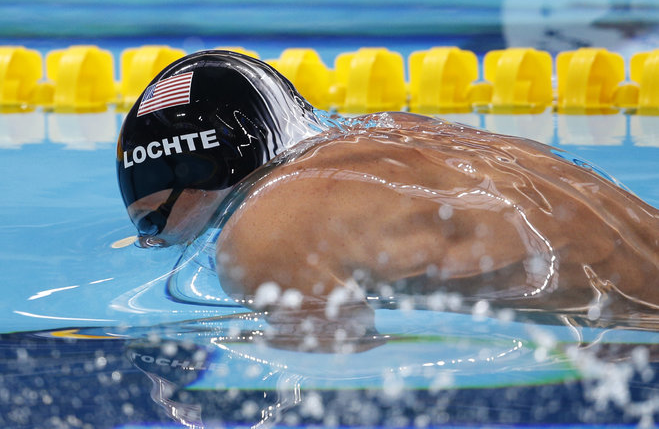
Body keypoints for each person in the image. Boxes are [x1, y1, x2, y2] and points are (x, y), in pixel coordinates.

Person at [118, 50, 659, 339]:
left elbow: (334, 378)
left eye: (152, 222)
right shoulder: (390, 134)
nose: (154, 244)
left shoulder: (265, 230)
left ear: (200, 172)